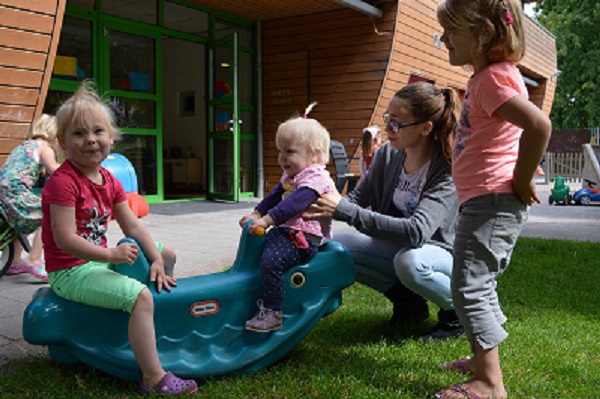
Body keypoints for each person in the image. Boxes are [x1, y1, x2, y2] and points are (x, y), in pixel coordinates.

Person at [41, 82, 198, 396]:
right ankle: (153, 377)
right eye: (79, 133)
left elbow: (134, 228)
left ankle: (157, 327)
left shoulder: (109, 180)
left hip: (96, 261)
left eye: (98, 131)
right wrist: (112, 255)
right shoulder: (63, 183)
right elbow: (65, 240)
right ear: (62, 142)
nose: (90, 140)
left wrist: (155, 258)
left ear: (111, 137)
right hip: (71, 271)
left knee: (168, 255)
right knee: (139, 295)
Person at [435, 1, 552, 398]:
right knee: (471, 282)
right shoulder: (492, 78)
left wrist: (520, 178)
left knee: (470, 285)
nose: (443, 38)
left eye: (452, 31)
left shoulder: (490, 80)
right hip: (484, 199)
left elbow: (538, 125)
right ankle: (481, 359)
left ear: (483, 33)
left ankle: (489, 382)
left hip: (492, 198)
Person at [305, 81, 463, 341]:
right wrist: (316, 204)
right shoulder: (387, 155)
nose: (388, 129)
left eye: (397, 123)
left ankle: (456, 315)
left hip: (443, 253)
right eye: (387, 119)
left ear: (426, 128)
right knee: (338, 247)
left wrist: (345, 211)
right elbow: (358, 198)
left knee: (410, 262)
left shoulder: (447, 168)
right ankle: (409, 305)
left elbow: (416, 232)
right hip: (401, 245)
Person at [239, 103, 335, 333]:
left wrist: (267, 221)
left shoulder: (316, 178)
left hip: (304, 238)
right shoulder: (293, 173)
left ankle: (273, 313)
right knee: (256, 251)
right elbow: (276, 194)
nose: (282, 158)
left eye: (289, 152)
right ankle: (248, 298)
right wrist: (257, 213)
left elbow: (294, 204)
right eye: (280, 151)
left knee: (272, 261)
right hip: (288, 231)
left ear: (315, 154)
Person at [1, 114, 61, 281]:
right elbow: (54, 169)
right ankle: (34, 259)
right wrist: (72, 172)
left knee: (16, 224)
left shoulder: (24, 146)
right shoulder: (45, 148)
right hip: (15, 192)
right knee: (49, 212)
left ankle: (13, 263)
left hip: (3, 191)